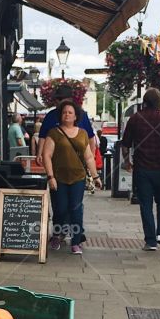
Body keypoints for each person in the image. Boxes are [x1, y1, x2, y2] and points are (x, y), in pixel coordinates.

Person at [41, 100, 101, 255]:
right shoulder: (54, 133)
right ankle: (57, 234)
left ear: (75, 116)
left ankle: (76, 241)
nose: (66, 115)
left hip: (78, 177)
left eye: (70, 112)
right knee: (60, 208)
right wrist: (50, 176)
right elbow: (47, 155)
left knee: (76, 209)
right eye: (64, 112)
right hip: (59, 177)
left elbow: (89, 157)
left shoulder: (82, 133)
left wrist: (95, 176)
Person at [121, 88, 160, 250]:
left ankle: (150, 241)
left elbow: (125, 144)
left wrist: (127, 162)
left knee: (146, 204)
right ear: (159, 102)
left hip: (142, 169)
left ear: (144, 102)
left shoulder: (135, 119)